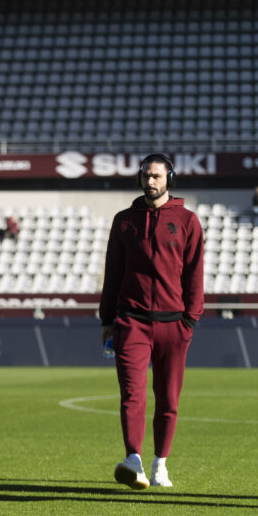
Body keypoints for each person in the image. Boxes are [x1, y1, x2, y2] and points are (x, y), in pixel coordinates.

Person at [100, 154, 204, 490]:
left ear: (169, 179)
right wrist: (107, 318)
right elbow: (112, 271)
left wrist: (190, 319)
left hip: (174, 324)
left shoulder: (188, 221)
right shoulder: (124, 221)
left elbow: (194, 273)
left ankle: (161, 463)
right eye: (145, 175)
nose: (150, 181)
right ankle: (134, 459)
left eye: (157, 176)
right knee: (132, 393)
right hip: (132, 320)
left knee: (169, 399)